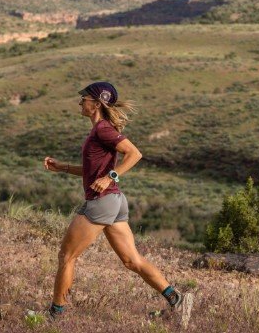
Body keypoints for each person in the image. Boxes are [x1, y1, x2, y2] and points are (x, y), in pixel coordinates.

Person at [42, 81, 182, 319]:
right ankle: (174, 298)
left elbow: (134, 153)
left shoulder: (103, 130)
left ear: (96, 103)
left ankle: (55, 315)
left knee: (67, 256)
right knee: (131, 260)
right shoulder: (98, 130)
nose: (80, 102)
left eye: (84, 99)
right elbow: (90, 171)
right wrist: (63, 167)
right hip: (114, 201)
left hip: (102, 201)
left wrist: (110, 177)